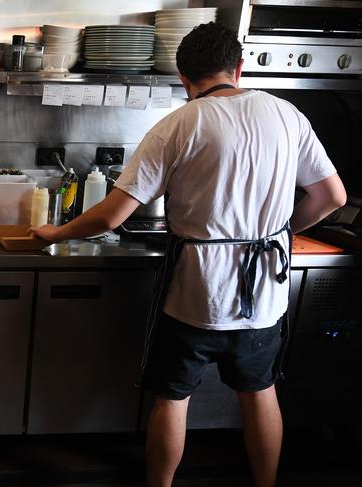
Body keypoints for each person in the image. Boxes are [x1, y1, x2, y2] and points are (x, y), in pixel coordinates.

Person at [31, 22, 346, 487]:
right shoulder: (287, 114)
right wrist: (279, 233)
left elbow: (112, 215)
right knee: (260, 394)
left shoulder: (180, 123)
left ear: (183, 77)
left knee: (172, 397)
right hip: (263, 297)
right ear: (237, 68)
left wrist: (55, 232)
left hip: (196, 294)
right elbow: (331, 196)